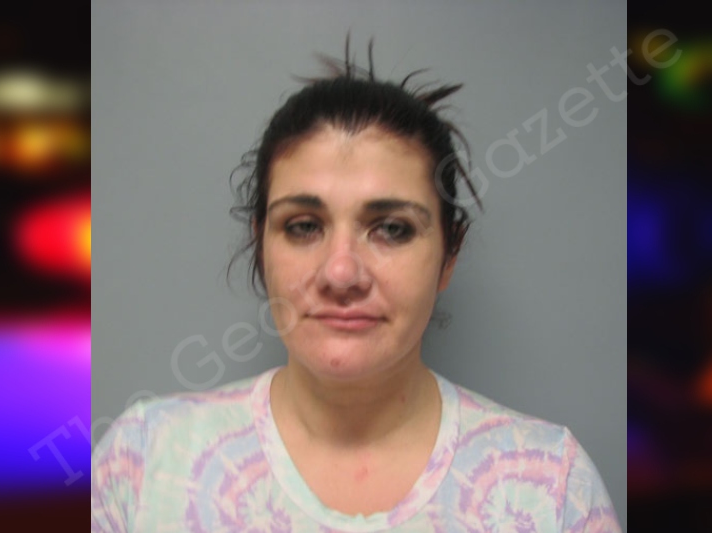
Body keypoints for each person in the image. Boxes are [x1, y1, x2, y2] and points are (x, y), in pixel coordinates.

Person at [92, 41, 622, 532]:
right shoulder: (144, 464)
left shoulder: (550, 487)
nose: (341, 273)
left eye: (392, 229)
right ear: (261, 244)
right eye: (304, 226)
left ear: (449, 254)